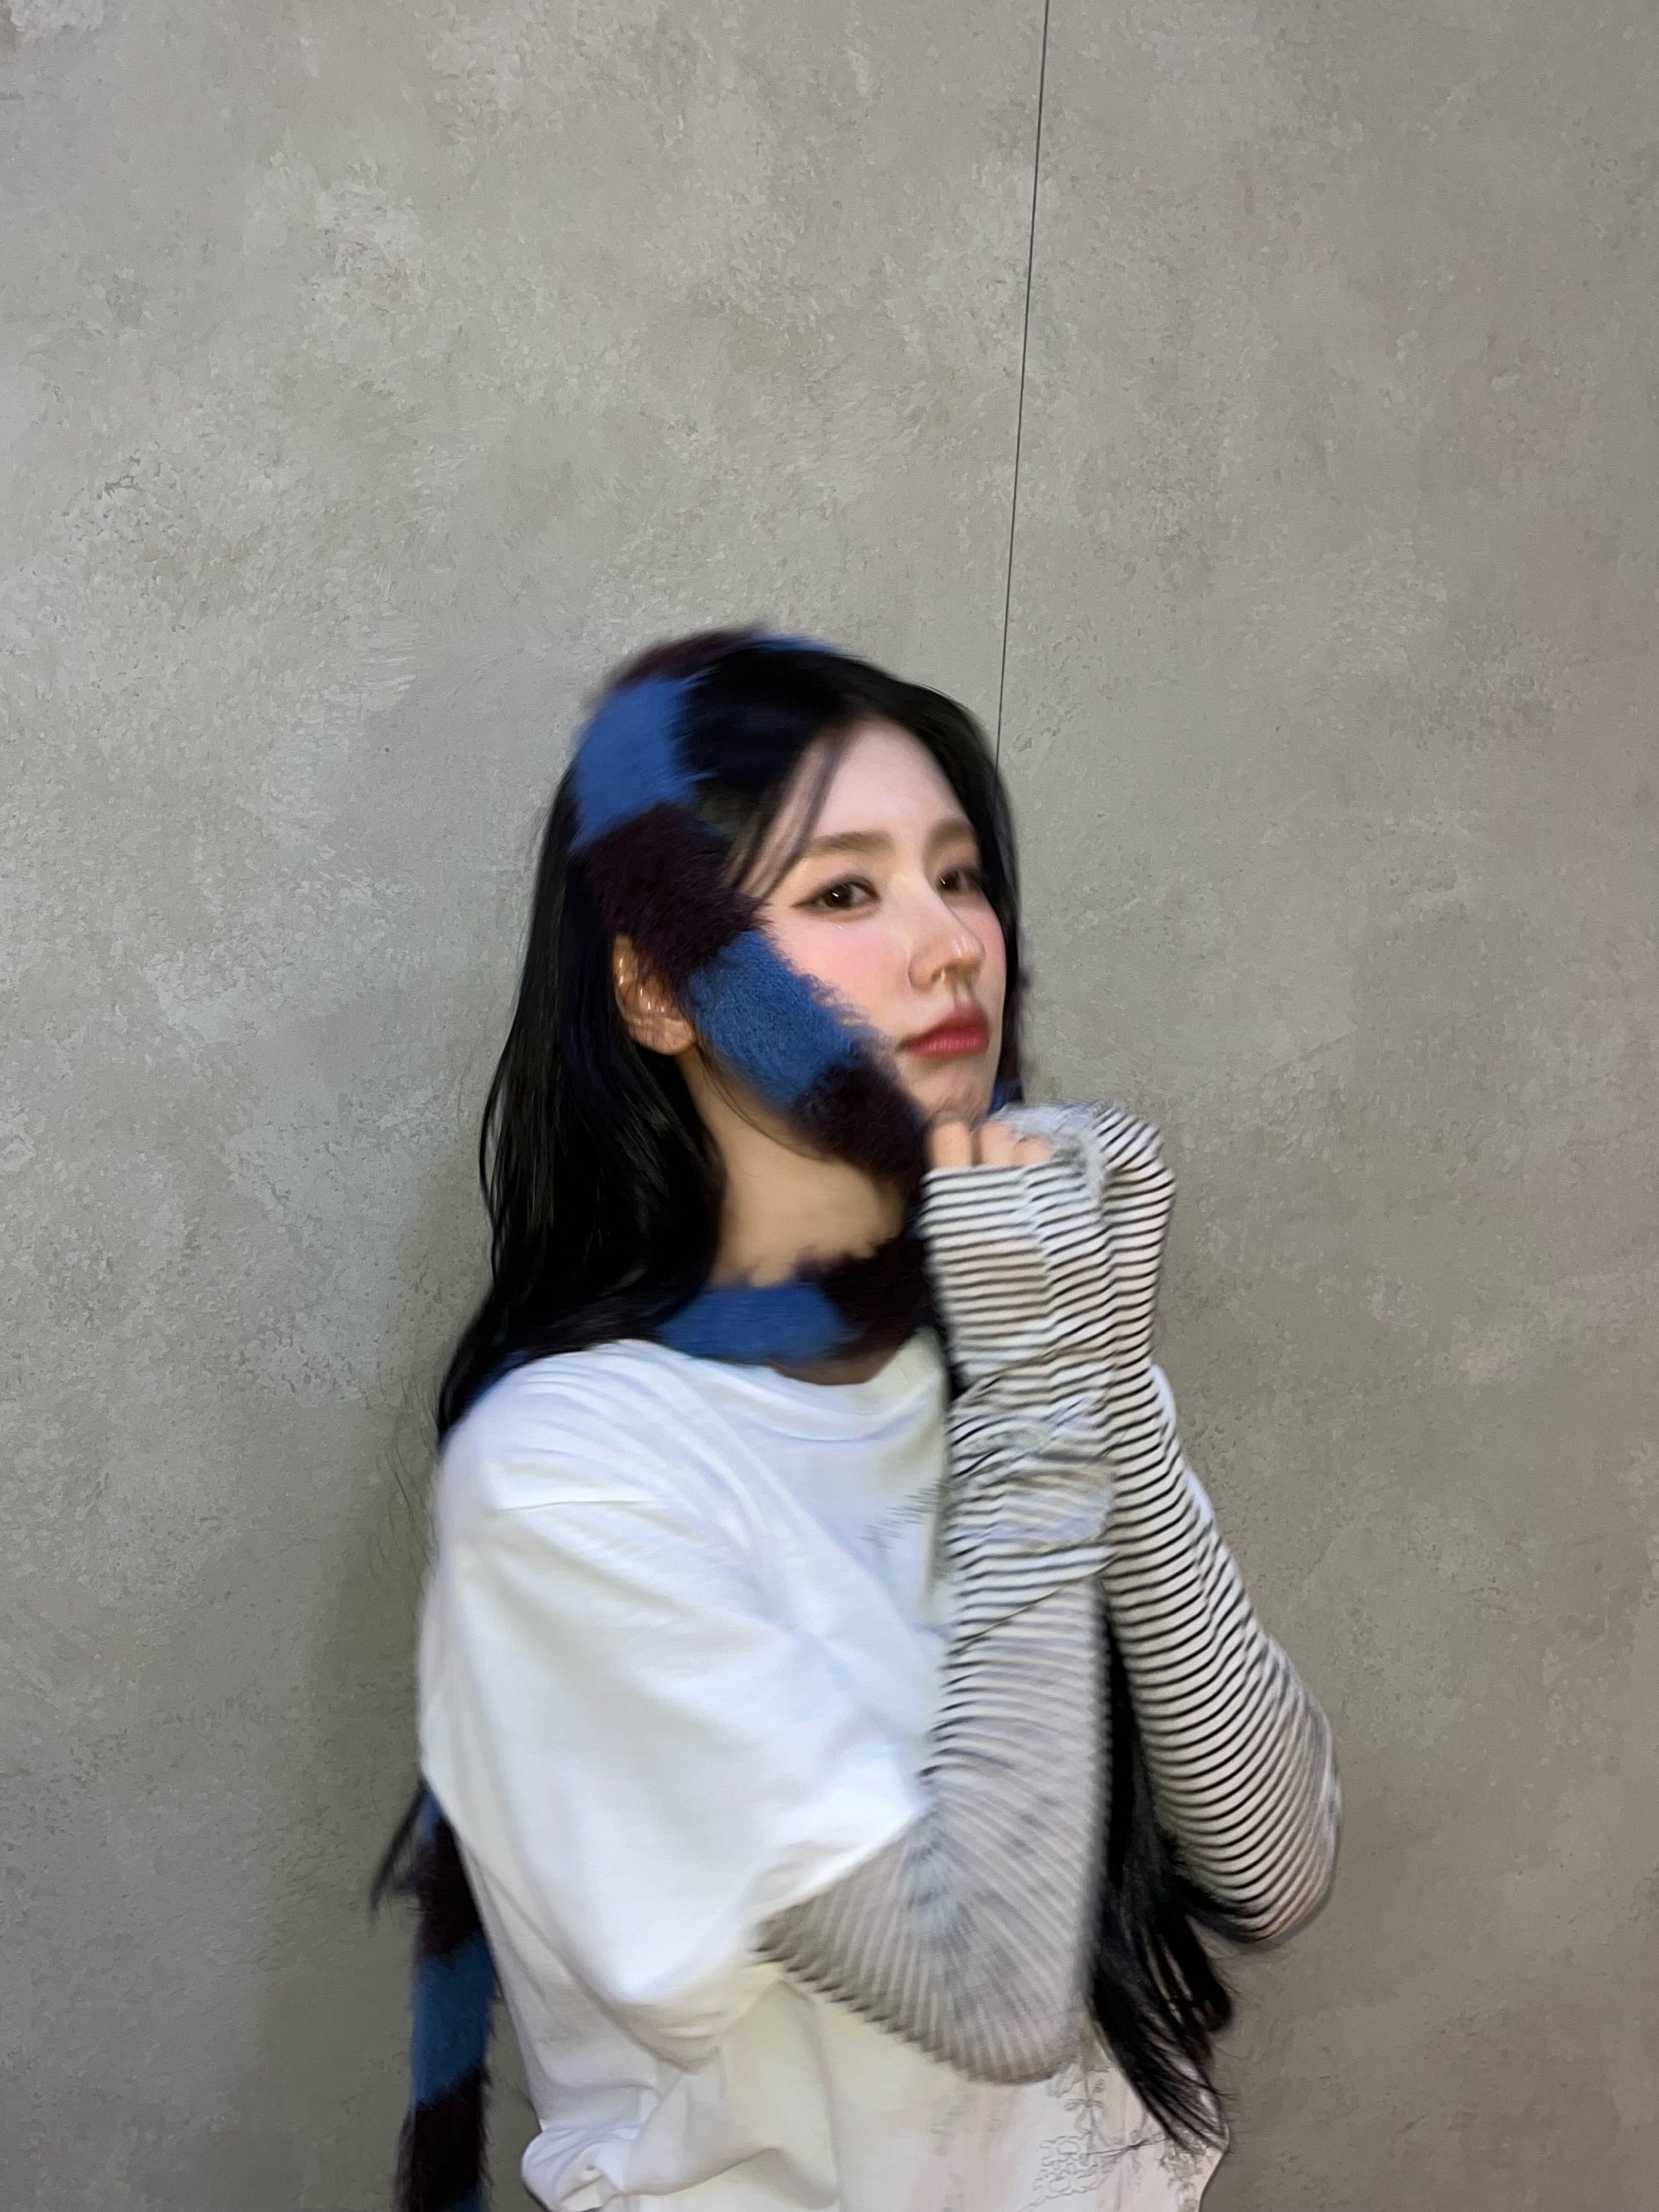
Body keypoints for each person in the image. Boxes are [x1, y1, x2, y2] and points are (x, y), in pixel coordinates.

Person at [380, 627, 1340, 2212]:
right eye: (844, 893)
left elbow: (1274, 1865)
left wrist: (1097, 1358)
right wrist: (1043, 1387)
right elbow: (995, 1994)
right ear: (659, 985)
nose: (953, 944)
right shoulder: (570, 1477)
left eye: (961, 877)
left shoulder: (1020, 1351)